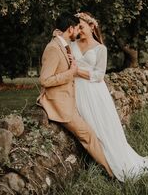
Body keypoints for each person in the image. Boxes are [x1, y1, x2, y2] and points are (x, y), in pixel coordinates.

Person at [70, 12, 148, 182]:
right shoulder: (72, 44)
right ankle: (97, 160)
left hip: (94, 93)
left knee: (100, 128)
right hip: (75, 90)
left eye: (81, 27)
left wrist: (77, 71)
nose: (79, 31)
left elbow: (98, 75)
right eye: (77, 27)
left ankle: (111, 163)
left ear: (92, 27)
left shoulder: (100, 49)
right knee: (86, 128)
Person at [37, 12, 113, 177]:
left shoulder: (62, 43)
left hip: (73, 95)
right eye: (76, 27)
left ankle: (108, 169)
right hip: (61, 103)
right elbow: (44, 80)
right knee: (89, 136)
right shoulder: (53, 48)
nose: (78, 31)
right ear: (70, 29)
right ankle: (110, 173)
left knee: (93, 131)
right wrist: (71, 72)